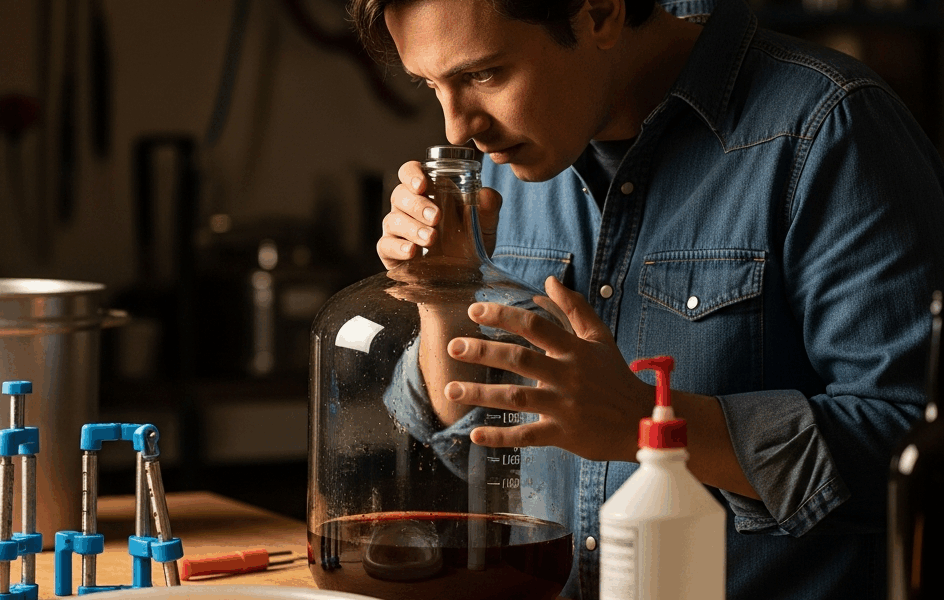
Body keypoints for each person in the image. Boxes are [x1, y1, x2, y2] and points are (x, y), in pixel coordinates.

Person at [350, 0, 944, 598]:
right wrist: (445, 295)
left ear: (602, 14)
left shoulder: (827, 128)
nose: (457, 129)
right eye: (432, 85)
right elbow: (482, 454)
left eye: (484, 75)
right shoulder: (507, 160)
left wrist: (648, 425)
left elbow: (914, 447)